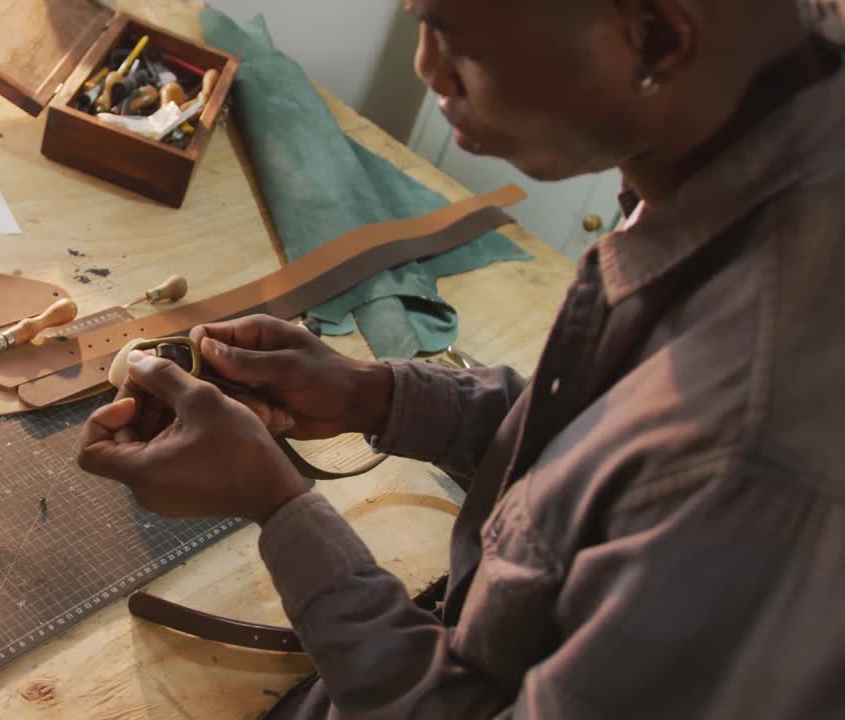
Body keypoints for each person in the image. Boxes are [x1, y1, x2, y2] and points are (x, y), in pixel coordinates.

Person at [78, 0, 845, 716]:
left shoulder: (757, 447)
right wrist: (372, 397)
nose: (426, 70)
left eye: (456, 40)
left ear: (653, 40)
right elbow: (606, 444)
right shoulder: (746, 138)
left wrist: (278, 507)